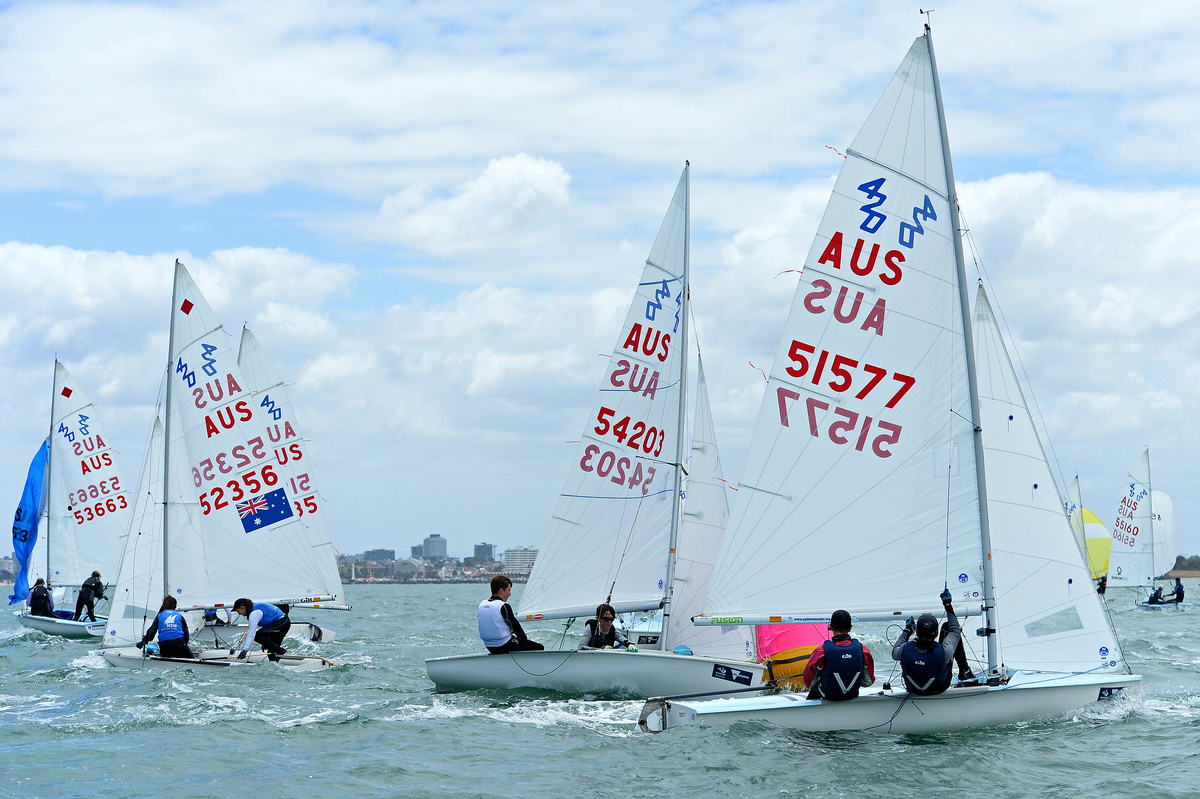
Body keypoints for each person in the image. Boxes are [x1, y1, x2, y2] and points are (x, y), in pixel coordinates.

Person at [892, 590, 965, 696]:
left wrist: (907, 630)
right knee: (947, 626)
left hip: (913, 690)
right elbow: (955, 630)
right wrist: (948, 605)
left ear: (916, 632)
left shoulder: (905, 648)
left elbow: (895, 651)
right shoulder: (945, 651)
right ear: (937, 634)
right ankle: (965, 671)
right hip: (938, 689)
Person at [801, 609, 875, 701]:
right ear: (850, 628)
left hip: (829, 696)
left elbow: (809, 681)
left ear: (831, 627)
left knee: (815, 687)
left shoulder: (822, 650)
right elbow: (868, 682)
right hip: (853, 695)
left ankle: (810, 712)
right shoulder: (862, 650)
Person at [478, 575, 544, 654]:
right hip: (503, 645)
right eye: (509, 590)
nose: (510, 594)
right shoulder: (503, 606)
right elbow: (516, 627)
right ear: (501, 591)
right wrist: (524, 639)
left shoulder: (482, 605)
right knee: (539, 647)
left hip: (489, 646)